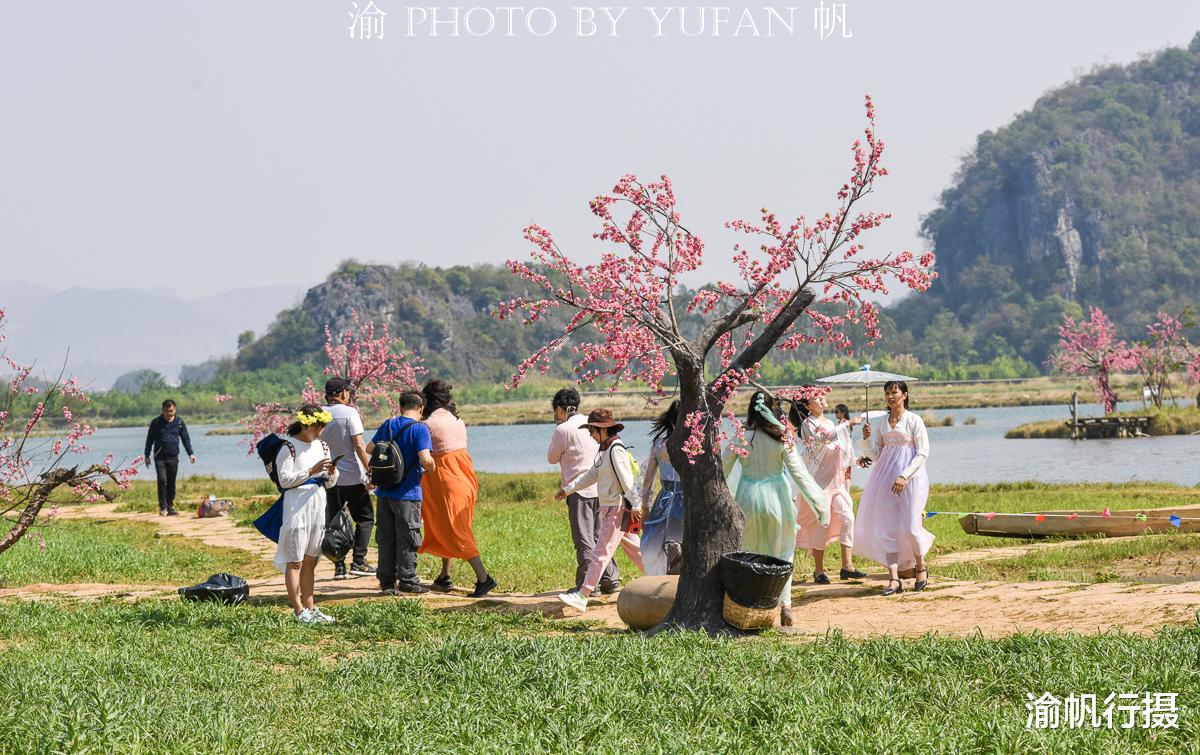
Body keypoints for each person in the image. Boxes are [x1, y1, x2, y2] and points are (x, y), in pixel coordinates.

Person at [723, 392, 828, 627]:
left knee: (749, 550)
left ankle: (750, 604)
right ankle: (786, 604)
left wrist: (723, 499)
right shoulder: (782, 437)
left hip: (748, 496)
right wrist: (818, 502)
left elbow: (722, 467)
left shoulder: (742, 436)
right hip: (777, 497)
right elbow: (799, 473)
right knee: (783, 552)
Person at [555, 408, 645, 613]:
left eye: (592, 431)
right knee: (636, 551)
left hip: (616, 509)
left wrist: (636, 505)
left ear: (602, 430)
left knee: (600, 552)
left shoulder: (615, 450)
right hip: (613, 508)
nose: (591, 435)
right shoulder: (605, 451)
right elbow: (591, 474)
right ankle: (663, 579)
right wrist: (568, 489)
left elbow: (627, 480)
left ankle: (583, 595)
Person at [853, 380, 933, 596]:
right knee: (887, 527)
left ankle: (921, 567)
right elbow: (877, 455)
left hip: (911, 480)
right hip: (884, 479)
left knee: (910, 526)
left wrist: (905, 475)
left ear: (904, 395)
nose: (890, 396)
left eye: (894, 392)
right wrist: (867, 439)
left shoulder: (914, 420)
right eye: (887, 392)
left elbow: (923, 453)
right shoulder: (880, 422)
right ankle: (893, 578)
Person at [419, 380, 497, 598]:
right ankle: (444, 576)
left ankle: (484, 578)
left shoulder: (428, 424)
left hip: (445, 479)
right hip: (465, 475)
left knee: (455, 529)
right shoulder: (457, 420)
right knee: (449, 525)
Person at [547, 387, 621, 593]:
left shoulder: (562, 430)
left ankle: (588, 585)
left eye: (556, 411)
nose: (555, 416)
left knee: (584, 540)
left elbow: (552, 458)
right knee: (601, 536)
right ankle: (610, 578)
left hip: (578, 491)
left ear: (561, 409)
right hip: (601, 488)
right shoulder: (591, 424)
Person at [273, 404, 339, 624]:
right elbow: (284, 480)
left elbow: (330, 483)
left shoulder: (323, 446)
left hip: (318, 504)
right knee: (295, 561)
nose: (319, 431)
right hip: (296, 507)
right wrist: (311, 471)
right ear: (304, 424)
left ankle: (310, 607)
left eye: (321, 427)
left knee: (311, 560)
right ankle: (299, 610)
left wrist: (330, 473)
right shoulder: (288, 447)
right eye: (315, 427)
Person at [790, 393, 865, 584]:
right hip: (819, 482)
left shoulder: (831, 422)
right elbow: (824, 439)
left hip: (836, 481)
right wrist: (847, 424)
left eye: (822, 396)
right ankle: (819, 570)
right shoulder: (808, 425)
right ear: (807, 406)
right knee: (821, 524)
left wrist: (855, 460)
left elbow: (839, 446)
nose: (822, 399)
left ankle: (847, 567)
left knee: (847, 517)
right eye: (816, 397)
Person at [368, 391, 436, 595]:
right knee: (408, 537)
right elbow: (425, 459)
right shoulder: (420, 429)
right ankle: (407, 580)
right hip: (408, 494)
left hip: (384, 492)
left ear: (400, 407)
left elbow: (369, 448)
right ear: (421, 409)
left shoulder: (388, 424)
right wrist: (432, 466)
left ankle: (386, 582)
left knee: (386, 537)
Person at [321, 377, 376, 581]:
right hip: (351, 476)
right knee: (365, 518)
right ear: (344, 393)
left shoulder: (317, 413)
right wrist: (370, 469)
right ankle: (359, 561)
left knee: (333, 521)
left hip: (327, 477)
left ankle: (339, 566)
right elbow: (359, 445)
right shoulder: (349, 413)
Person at [638, 401, 685, 576]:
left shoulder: (659, 444)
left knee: (655, 541)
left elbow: (647, 480)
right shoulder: (693, 444)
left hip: (665, 498)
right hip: (688, 499)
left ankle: (660, 575)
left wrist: (644, 506)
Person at [143, 399, 197, 516]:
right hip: (159, 458)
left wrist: (191, 454)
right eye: (167, 411)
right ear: (163, 410)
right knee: (162, 480)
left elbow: (185, 439)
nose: (169, 414)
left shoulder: (179, 422)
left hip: (173, 457)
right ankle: (163, 508)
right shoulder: (156, 423)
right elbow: (149, 440)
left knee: (171, 483)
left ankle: (170, 507)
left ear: (175, 410)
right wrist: (146, 455)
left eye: (171, 411)